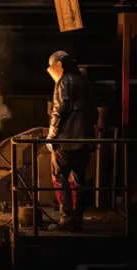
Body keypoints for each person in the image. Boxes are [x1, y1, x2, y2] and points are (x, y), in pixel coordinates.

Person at [45, 51, 99, 230]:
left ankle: (66, 218)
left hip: (66, 141)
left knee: (59, 176)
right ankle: (78, 219)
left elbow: (59, 109)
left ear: (59, 64)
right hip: (85, 142)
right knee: (80, 180)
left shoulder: (65, 81)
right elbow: (94, 113)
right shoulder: (87, 83)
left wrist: (52, 134)